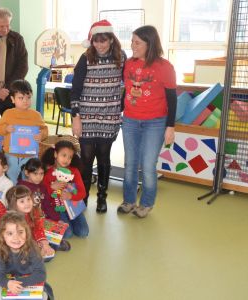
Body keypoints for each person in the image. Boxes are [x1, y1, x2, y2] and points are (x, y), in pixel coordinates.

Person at [119, 25, 176, 218]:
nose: (132, 45)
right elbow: (125, 91)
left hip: (155, 122)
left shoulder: (164, 67)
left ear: (149, 44)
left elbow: (172, 98)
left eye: (137, 42)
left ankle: (146, 203)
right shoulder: (128, 64)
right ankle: (128, 200)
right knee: (130, 163)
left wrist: (170, 127)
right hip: (130, 120)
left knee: (148, 164)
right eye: (132, 41)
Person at [70, 20, 127, 213]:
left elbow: (129, 83)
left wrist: (122, 106)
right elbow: (75, 89)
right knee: (86, 158)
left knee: (104, 157)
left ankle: (102, 197)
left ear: (111, 39)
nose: (100, 45)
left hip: (109, 118)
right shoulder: (85, 58)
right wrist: (75, 117)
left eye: (104, 40)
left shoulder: (122, 57)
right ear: (91, 41)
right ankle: (83, 198)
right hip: (86, 116)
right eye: (96, 41)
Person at [0, 212, 54, 300]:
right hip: (7, 281)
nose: (16, 238)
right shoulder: (0, 249)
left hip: (28, 281)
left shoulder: (32, 247)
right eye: (10, 233)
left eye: (20, 232)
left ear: (26, 232)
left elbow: (41, 274)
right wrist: (8, 283)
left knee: (44, 296)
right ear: (2, 235)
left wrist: (19, 283)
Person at [0, 80, 48, 184]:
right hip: (11, 154)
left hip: (30, 155)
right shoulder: (8, 113)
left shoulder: (36, 115)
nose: (25, 101)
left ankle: (25, 197)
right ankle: (12, 196)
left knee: (28, 180)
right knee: (11, 179)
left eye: (28, 97)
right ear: (12, 99)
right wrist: (6, 129)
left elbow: (44, 129)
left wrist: (41, 135)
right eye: (21, 98)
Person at [41, 141, 88, 238]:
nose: (66, 159)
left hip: (73, 208)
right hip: (57, 208)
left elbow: (83, 193)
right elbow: (42, 195)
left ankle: (69, 221)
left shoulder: (74, 171)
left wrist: (71, 196)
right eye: (64, 155)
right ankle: (58, 222)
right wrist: (51, 188)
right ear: (55, 154)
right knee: (67, 234)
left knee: (83, 232)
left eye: (70, 157)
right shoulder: (48, 173)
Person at [5, 186, 56, 260]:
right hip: (19, 242)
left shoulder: (34, 212)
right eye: (22, 201)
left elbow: (38, 228)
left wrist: (44, 243)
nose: (27, 203)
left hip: (33, 238)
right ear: (13, 204)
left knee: (46, 245)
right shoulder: (10, 219)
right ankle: (53, 246)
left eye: (28, 199)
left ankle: (53, 245)